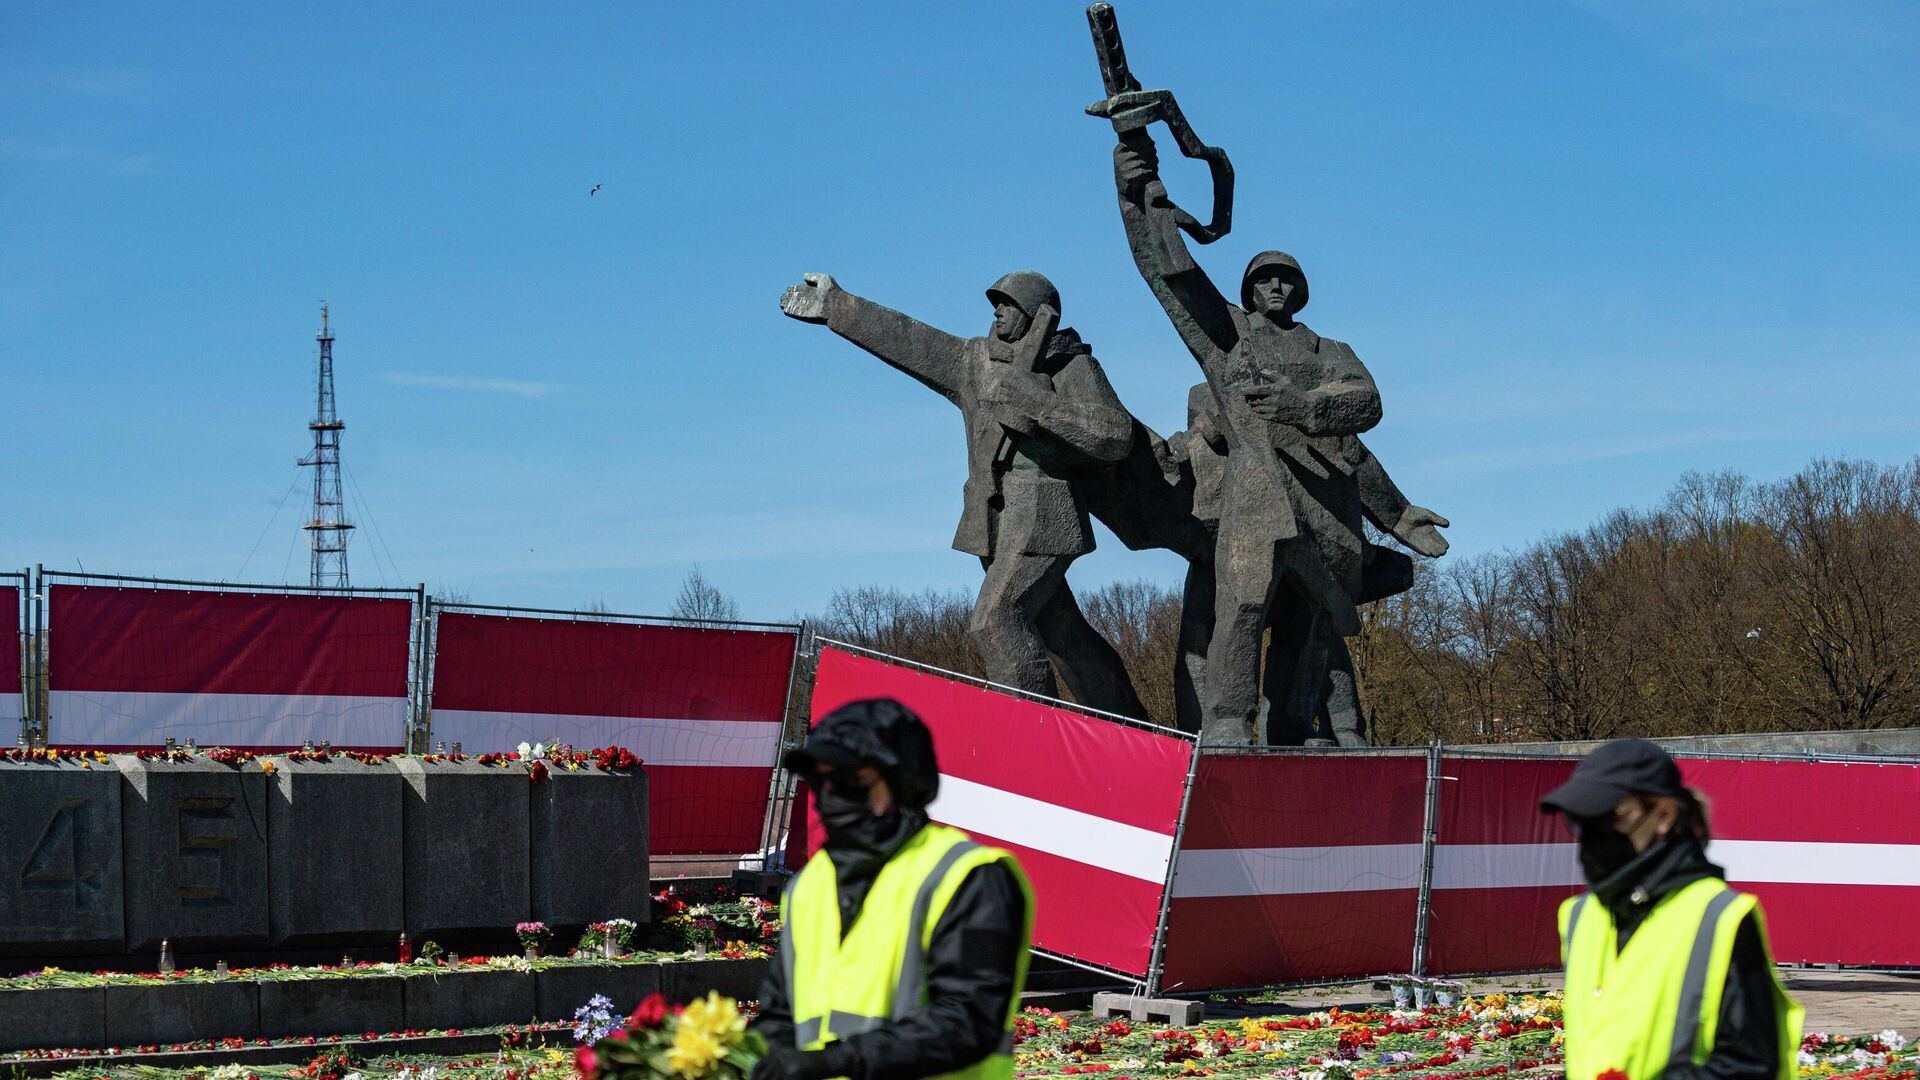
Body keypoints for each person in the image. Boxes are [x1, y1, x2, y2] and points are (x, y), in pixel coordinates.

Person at [1110, 130, 1446, 744]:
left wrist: (1396, 513)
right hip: (1258, 500)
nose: (1276, 289)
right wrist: (1134, 198)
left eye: (1287, 281)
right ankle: (1228, 725)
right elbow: (1169, 276)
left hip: (1328, 511)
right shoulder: (1228, 340)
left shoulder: (1331, 351)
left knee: (1308, 624)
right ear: (1248, 291)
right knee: (1242, 605)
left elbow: (1363, 412)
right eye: (1264, 280)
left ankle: (1293, 730)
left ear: (1302, 290)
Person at [780, 271, 1146, 719]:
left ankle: (1033, 735)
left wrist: (1041, 405)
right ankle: (1134, 727)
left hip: (1045, 513)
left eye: (1009, 304)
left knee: (996, 619)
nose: (997, 311)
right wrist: (837, 306)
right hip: (994, 516)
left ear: (1036, 315)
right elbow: (909, 340)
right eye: (997, 302)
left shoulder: (1071, 366)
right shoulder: (976, 362)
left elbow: (1115, 434)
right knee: (1064, 634)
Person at [751, 698, 1033, 1080]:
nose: (831, 797)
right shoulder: (808, 886)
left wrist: (837, 1061)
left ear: (901, 781)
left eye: (851, 781)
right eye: (820, 781)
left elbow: (967, 1020)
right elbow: (781, 1016)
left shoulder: (966, 876)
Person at [1540, 739, 1803, 1080]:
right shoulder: (1579, 917)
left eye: (1612, 816)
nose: (1593, 835)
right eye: (1581, 820)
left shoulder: (1718, 917)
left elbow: (1750, 1065)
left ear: (1664, 815)